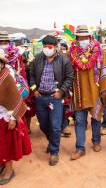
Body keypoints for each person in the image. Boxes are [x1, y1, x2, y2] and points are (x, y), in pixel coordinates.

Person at [68, 25, 106, 160]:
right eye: (80, 37)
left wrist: (105, 88)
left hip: (96, 90)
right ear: (76, 38)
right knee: (79, 121)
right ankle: (80, 148)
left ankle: (96, 141)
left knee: (96, 117)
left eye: (85, 37)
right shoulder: (71, 52)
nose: (83, 39)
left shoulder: (99, 51)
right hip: (79, 92)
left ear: (90, 37)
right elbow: (67, 71)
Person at [30, 35, 73, 166]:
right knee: (43, 124)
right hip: (40, 97)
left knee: (55, 127)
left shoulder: (64, 60)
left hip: (55, 98)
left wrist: (61, 92)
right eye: (44, 46)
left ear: (55, 47)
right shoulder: (37, 59)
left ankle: (54, 152)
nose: (47, 49)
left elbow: (69, 77)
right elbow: (31, 75)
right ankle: (52, 141)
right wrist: (34, 89)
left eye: (49, 46)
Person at [0, 49, 31, 185]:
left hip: (4, 117)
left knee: (6, 145)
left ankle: (9, 170)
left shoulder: (6, 76)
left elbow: (15, 97)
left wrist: (13, 117)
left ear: (1, 63)